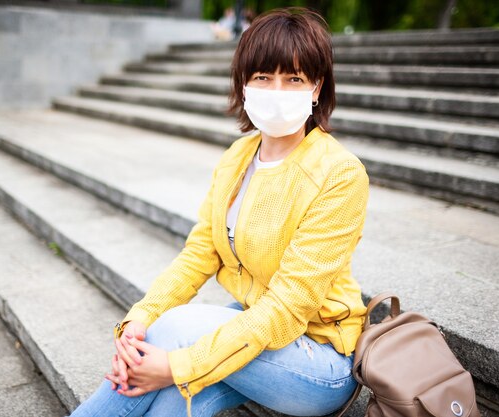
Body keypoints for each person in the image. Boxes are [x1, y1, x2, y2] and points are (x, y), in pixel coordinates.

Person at [69, 7, 369, 417]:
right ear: (244, 84)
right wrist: (139, 319)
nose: (277, 90)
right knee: (168, 390)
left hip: (319, 360)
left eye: (294, 79)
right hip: (256, 329)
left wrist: (176, 364)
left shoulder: (341, 174)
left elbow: (287, 306)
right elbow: (200, 254)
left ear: (316, 88)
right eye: (263, 77)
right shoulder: (239, 156)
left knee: (173, 335)